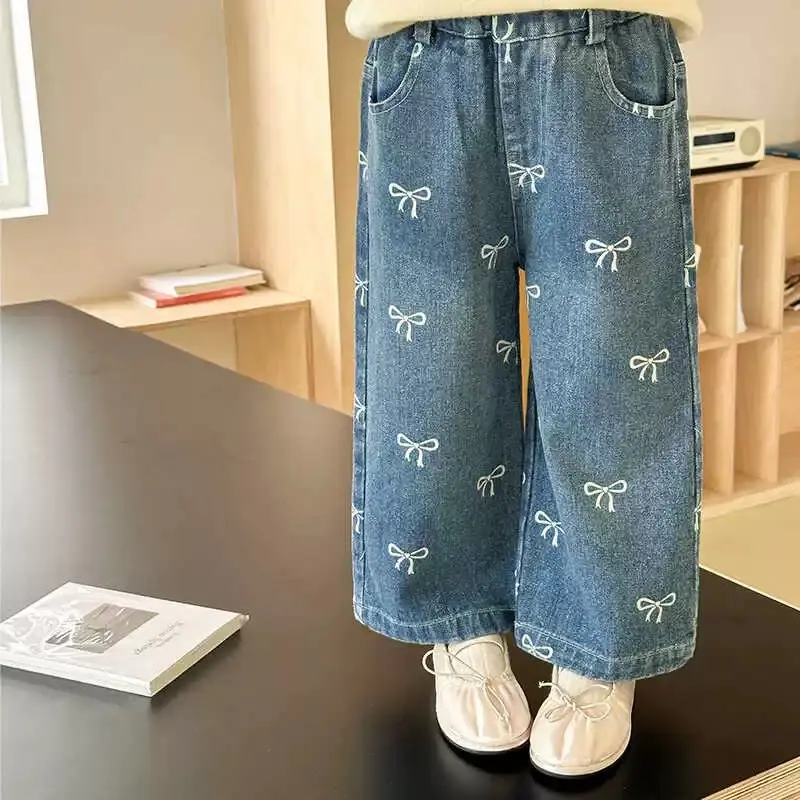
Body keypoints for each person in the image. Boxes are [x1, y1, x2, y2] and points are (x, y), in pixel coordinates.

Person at [347, 0, 702, 777]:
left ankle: (601, 645)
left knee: (609, 376)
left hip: (607, 45)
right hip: (424, 52)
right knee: (430, 374)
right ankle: (458, 621)